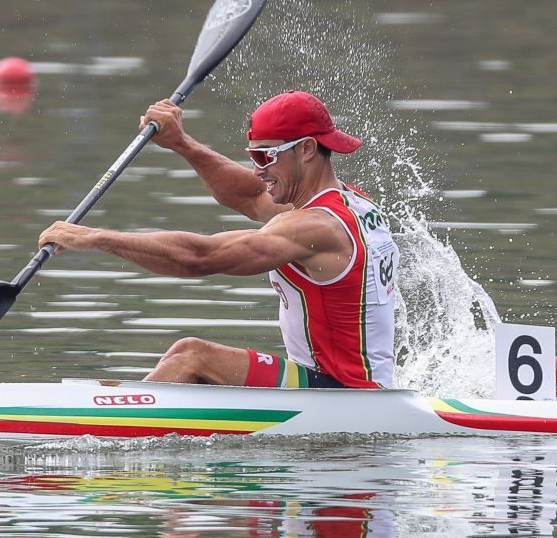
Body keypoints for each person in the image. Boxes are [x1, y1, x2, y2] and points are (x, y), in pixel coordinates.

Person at [38, 90, 399, 389]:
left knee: (192, 355)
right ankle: (133, 405)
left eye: (265, 156)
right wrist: (182, 143)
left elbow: (200, 258)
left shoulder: (316, 227)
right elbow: (246, 196)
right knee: (187, 358)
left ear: (306, 149)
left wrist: (98, 238)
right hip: (348, 385)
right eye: (252, 156)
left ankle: (114, 422)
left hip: (343, 394)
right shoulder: (349, 203)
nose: (259, 170)